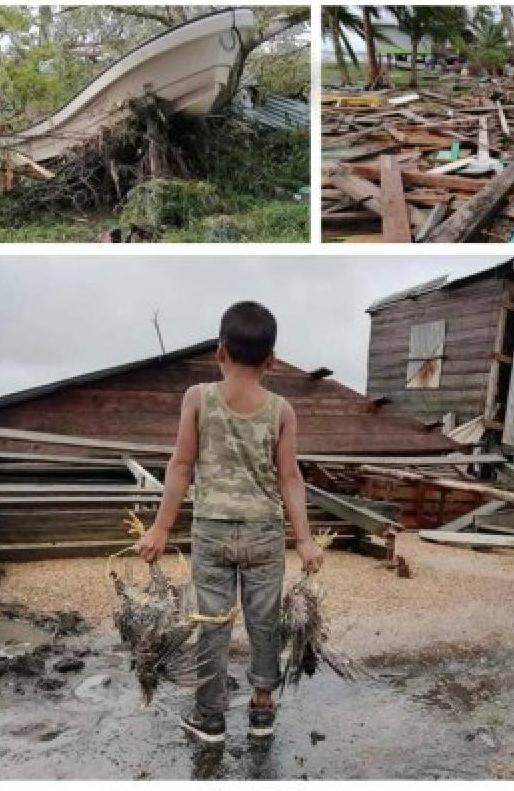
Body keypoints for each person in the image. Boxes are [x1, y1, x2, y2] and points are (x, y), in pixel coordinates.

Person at [137, 301, 325, 743]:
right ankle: (262, 709)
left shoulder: (198, 398)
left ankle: (211, 717)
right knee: (265, 623)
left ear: (219, 351)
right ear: (271, 361)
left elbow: (181, 465)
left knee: (212, 622)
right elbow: (290, 477)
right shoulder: (282, 409)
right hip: (264, 532)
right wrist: (305, 540)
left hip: (213, 531)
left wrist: (161, 528)